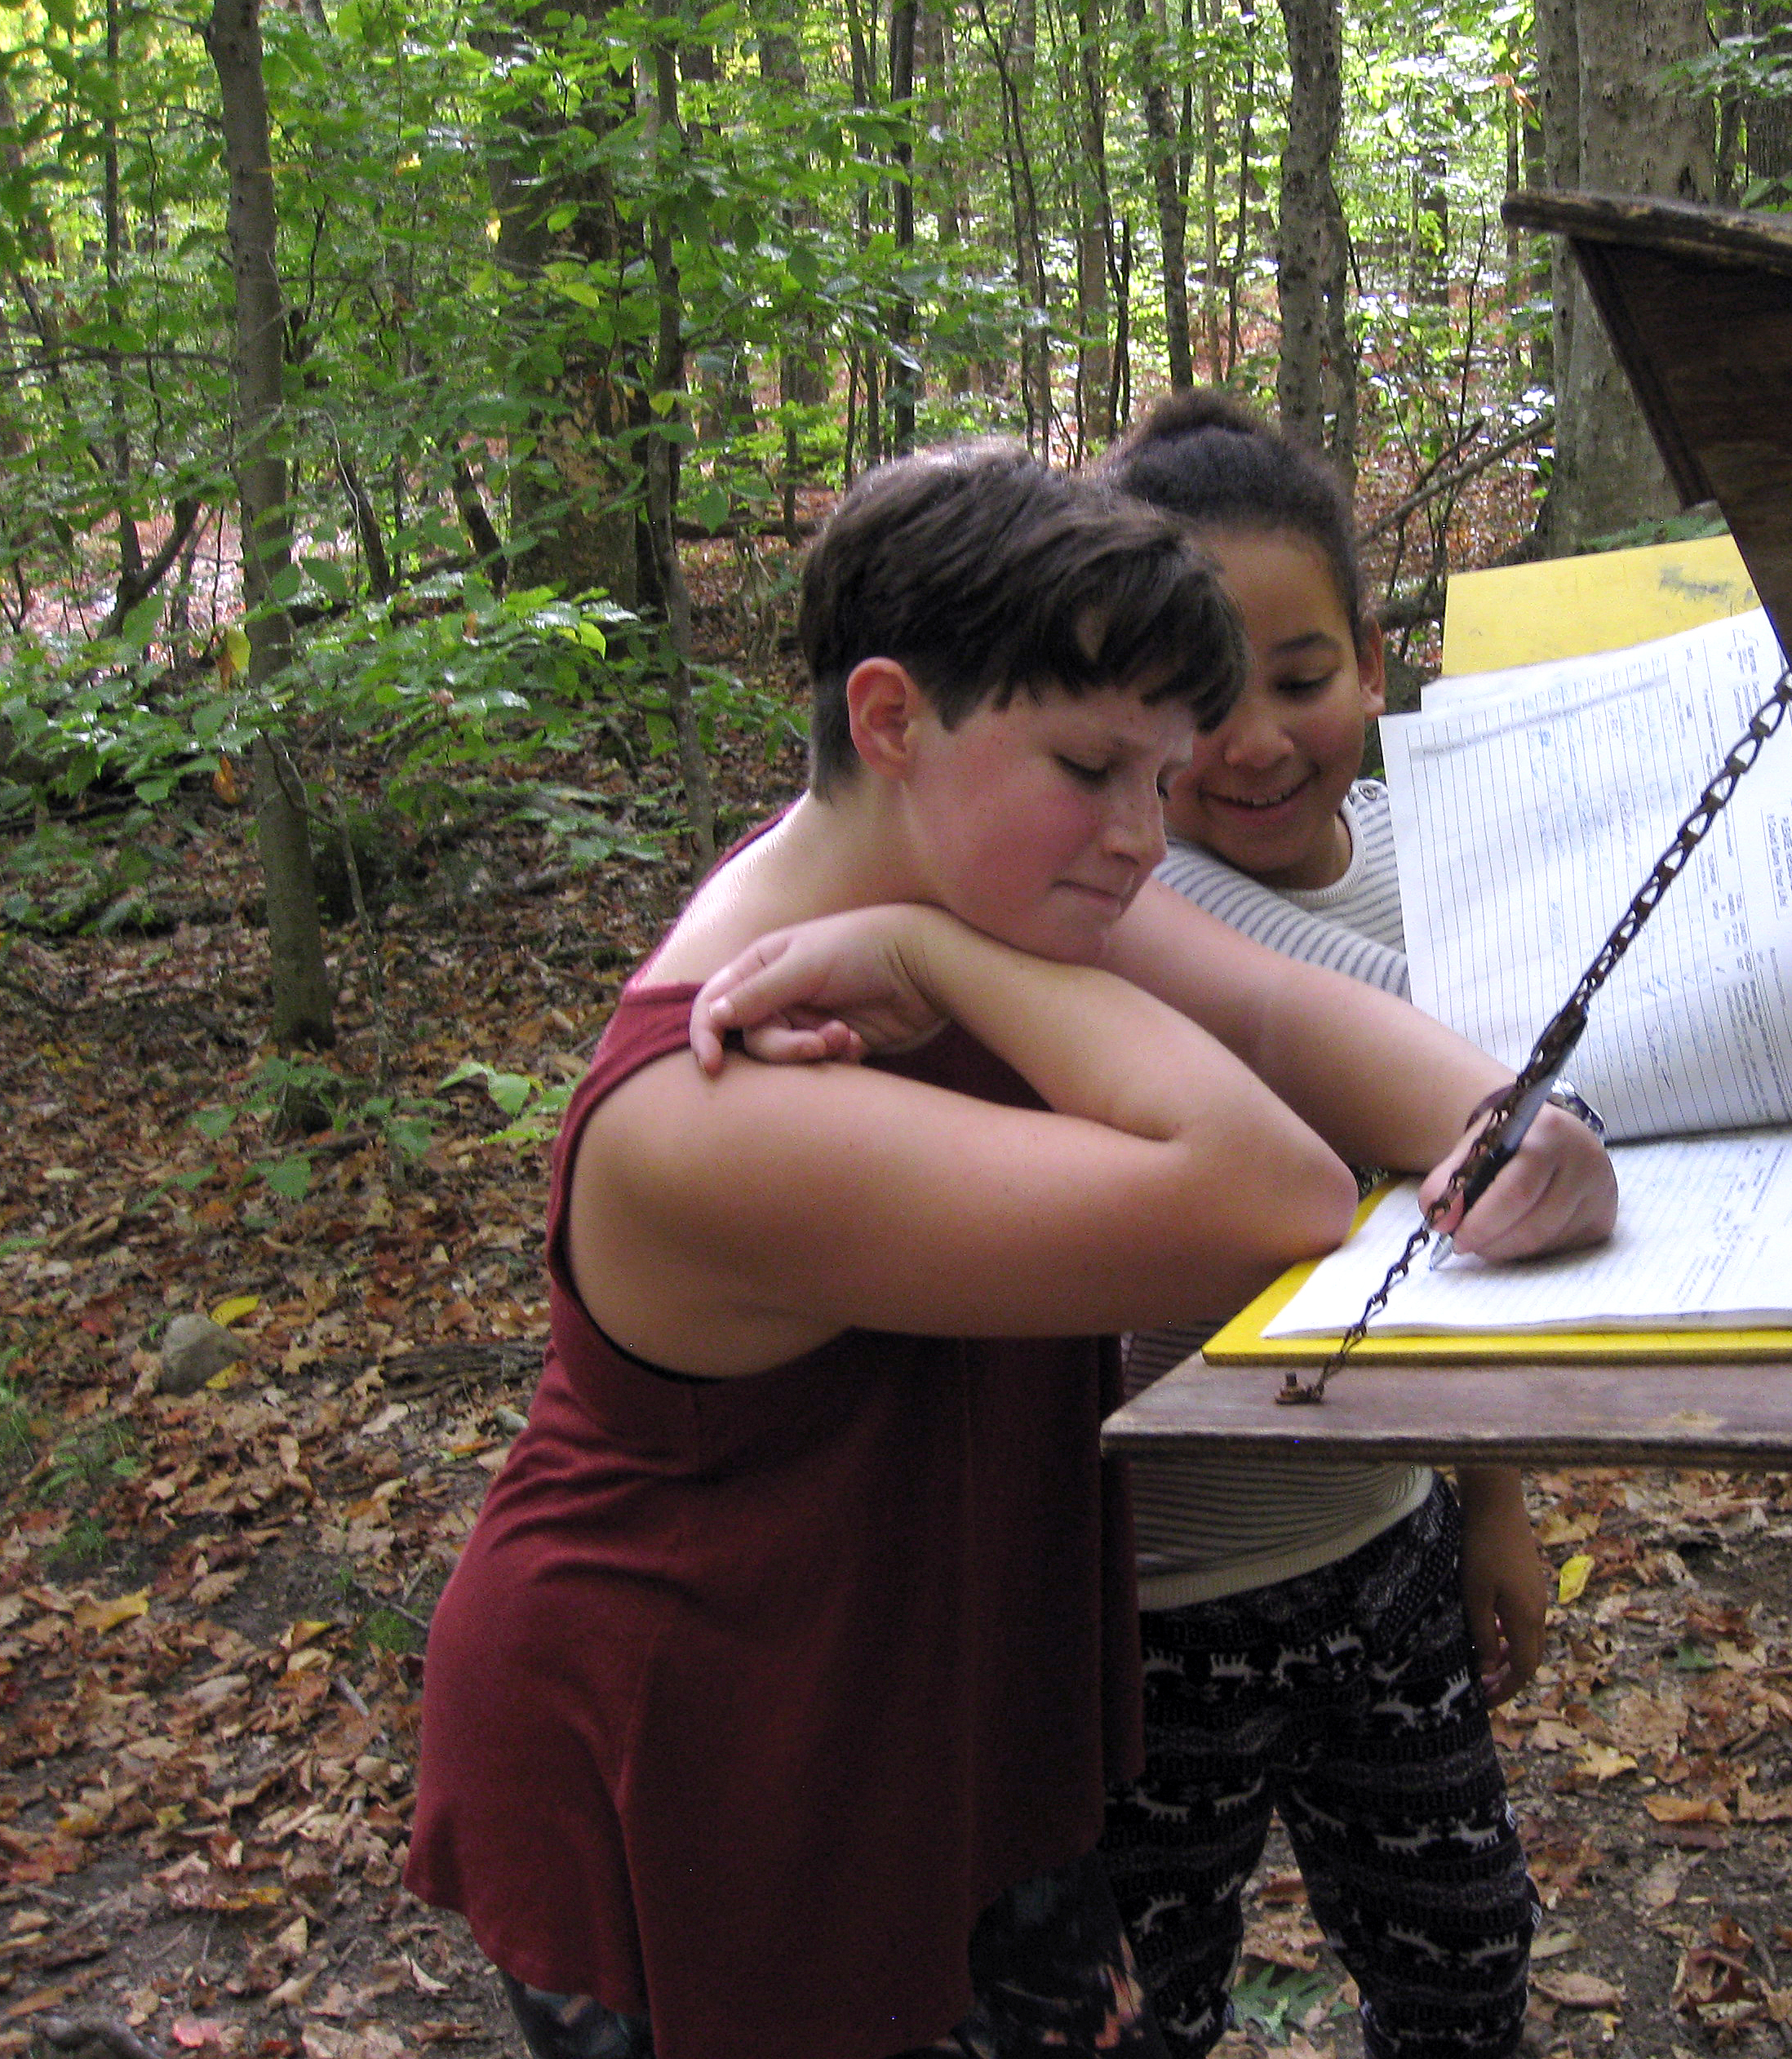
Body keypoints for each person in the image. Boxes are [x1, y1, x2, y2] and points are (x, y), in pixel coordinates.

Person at [404, 440, 1615, 2059]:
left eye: (1158, 778)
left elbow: (1280, 1014)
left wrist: (1521, 1121)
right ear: (891, 720)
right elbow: (1273, 1197)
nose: (1144, 835)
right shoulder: (719, 1102)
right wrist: (934, 960)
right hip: (710, 1740)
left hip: (921, 1699)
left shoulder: (1004, 878)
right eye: (1096, 768)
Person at [1091, 393, 1566, 2059]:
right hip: (1154, 1601)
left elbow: (1476, 1228)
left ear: (1370, 659)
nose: (1252, 744)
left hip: (1384, 1546)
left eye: (1298, 680)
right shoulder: (1115, 900)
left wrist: (1492, 1503)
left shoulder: (1436, 858)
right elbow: (1467, 1066)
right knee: (1147, 2008)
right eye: (1195, 698)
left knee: (1465, 1968)